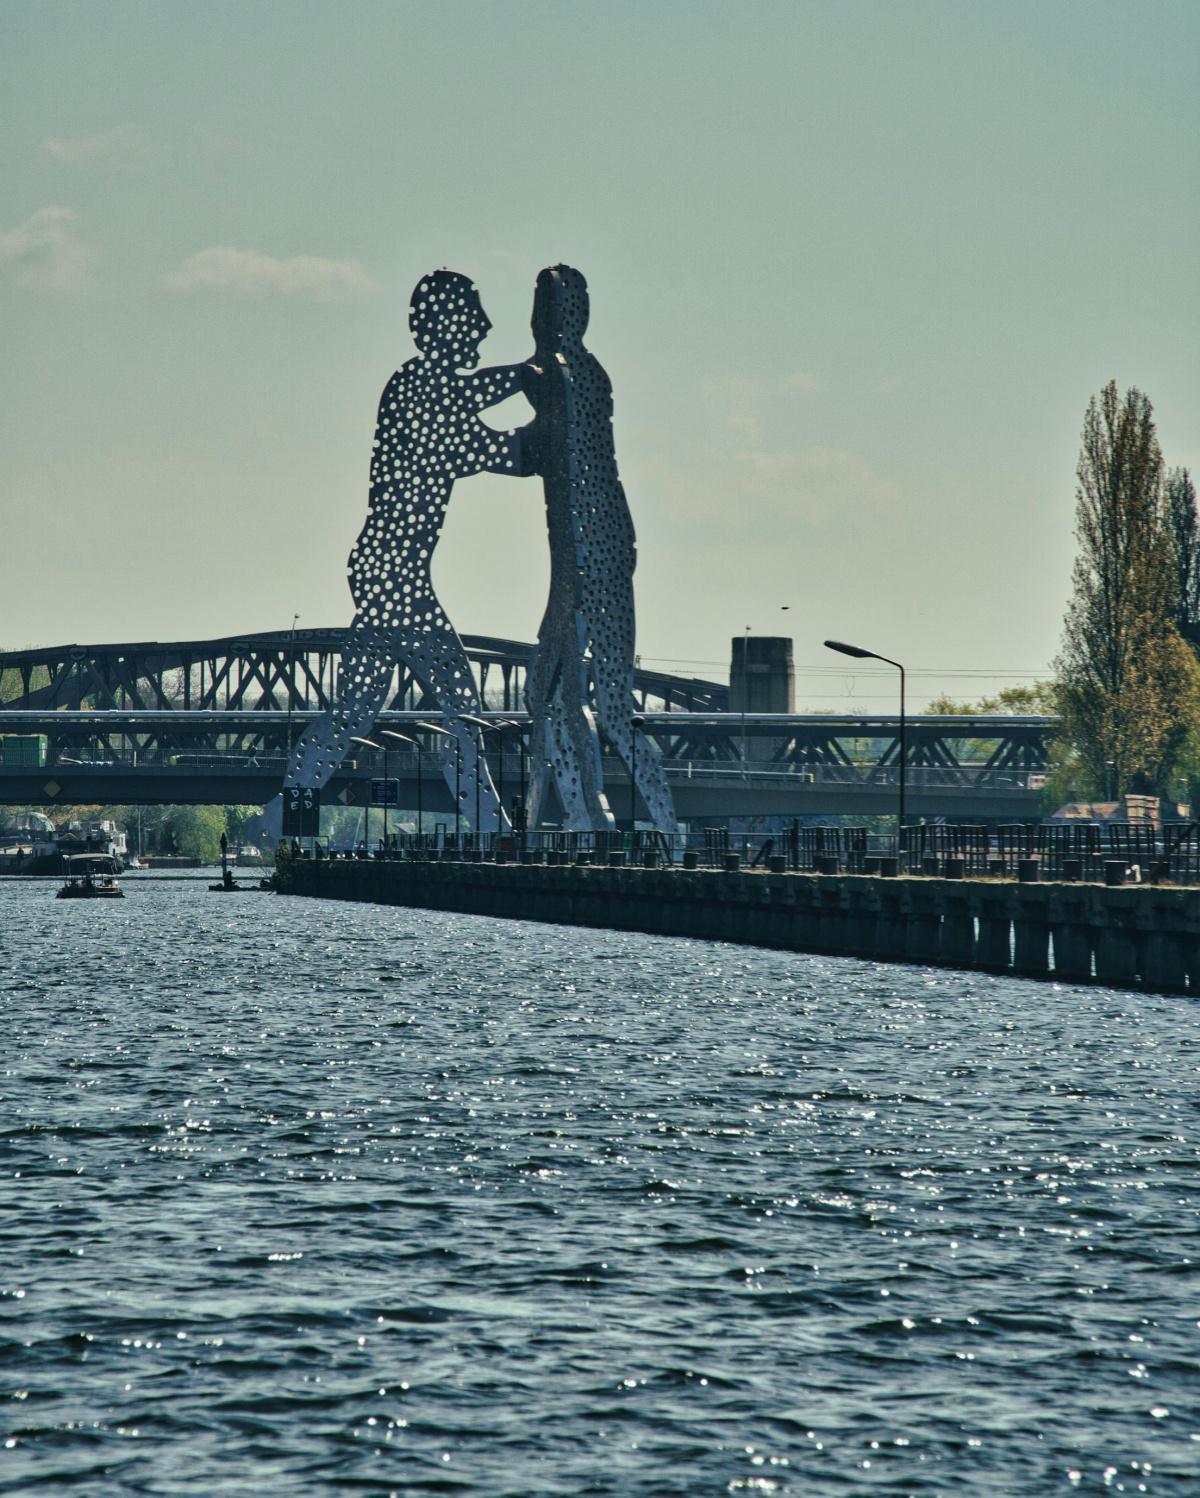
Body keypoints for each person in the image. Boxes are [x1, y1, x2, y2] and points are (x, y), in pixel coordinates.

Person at [286, 271, 528, 834]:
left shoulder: (426, 387)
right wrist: (536, 407)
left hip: (384, 571)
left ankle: (289, 813)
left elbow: (472, 398)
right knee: (459, 708)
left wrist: (523, 377)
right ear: (445, 325)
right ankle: (494, 833)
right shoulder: (418, 389)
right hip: (394, 575)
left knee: (358, 710)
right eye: (474, 316)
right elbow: (480, 445)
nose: (486, 327)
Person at [520, 266, 677, 834]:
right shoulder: (592, 375)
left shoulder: (552, 374)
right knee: (596, 706)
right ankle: (642, 825)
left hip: (586, 564)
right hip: (608, 551)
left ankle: (594, 819)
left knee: (557, 697)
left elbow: (529, 447)